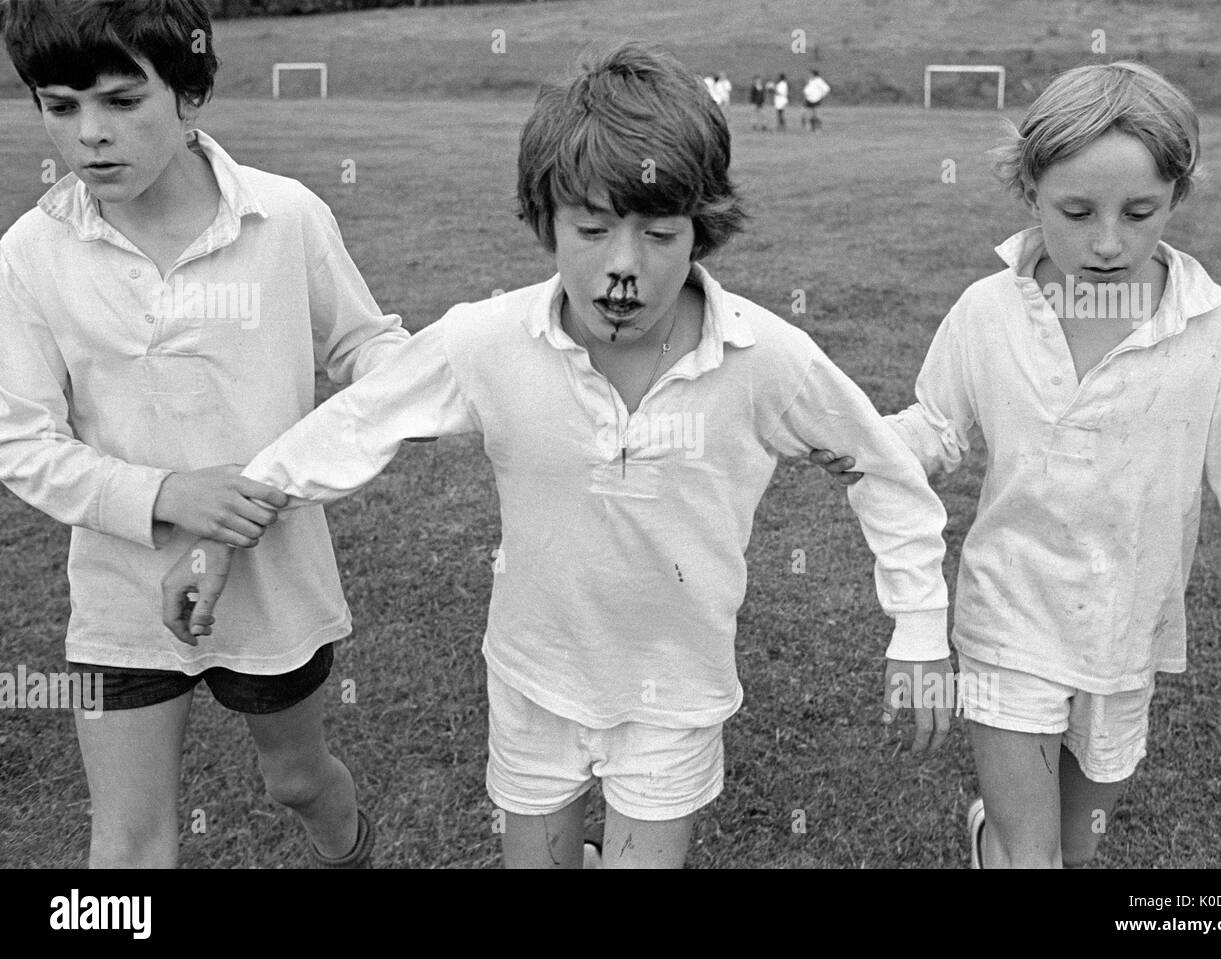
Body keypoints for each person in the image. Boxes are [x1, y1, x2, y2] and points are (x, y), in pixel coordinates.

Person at [163, 41, 955, 870]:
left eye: (658, 233)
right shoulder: (487, 339)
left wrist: (920, 627)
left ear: (702, 230)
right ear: (546, 220)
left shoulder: (768, 359)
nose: (623, 266)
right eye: (591, 228)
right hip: (532, 679)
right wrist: (226, 531)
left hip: (675, 694)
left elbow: (883, 468)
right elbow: (353, 424)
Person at [812, 61, 1221, 867]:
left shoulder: (1218, 331)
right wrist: (869, 442)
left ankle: (988, 834)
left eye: (1139, 212)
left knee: (1070, 851)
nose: (1108, 243)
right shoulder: (988, 311)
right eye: (1077, 212)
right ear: (1030, 190)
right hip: (1009, 616)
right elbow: (937, 428)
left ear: (1177, 196)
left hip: (1127, 634)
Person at [0, 0, 411, 868]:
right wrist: (167, 494)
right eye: (60, 105)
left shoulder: (286, 216)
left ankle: (353, 851)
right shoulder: (30, 253)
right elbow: (21, 442)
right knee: (128, 842)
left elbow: (364, 345)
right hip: (120, 592)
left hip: (273, 587)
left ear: (191, 94)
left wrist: (399, 389)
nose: (88, 137)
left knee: (296, 781)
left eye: (120, 101)